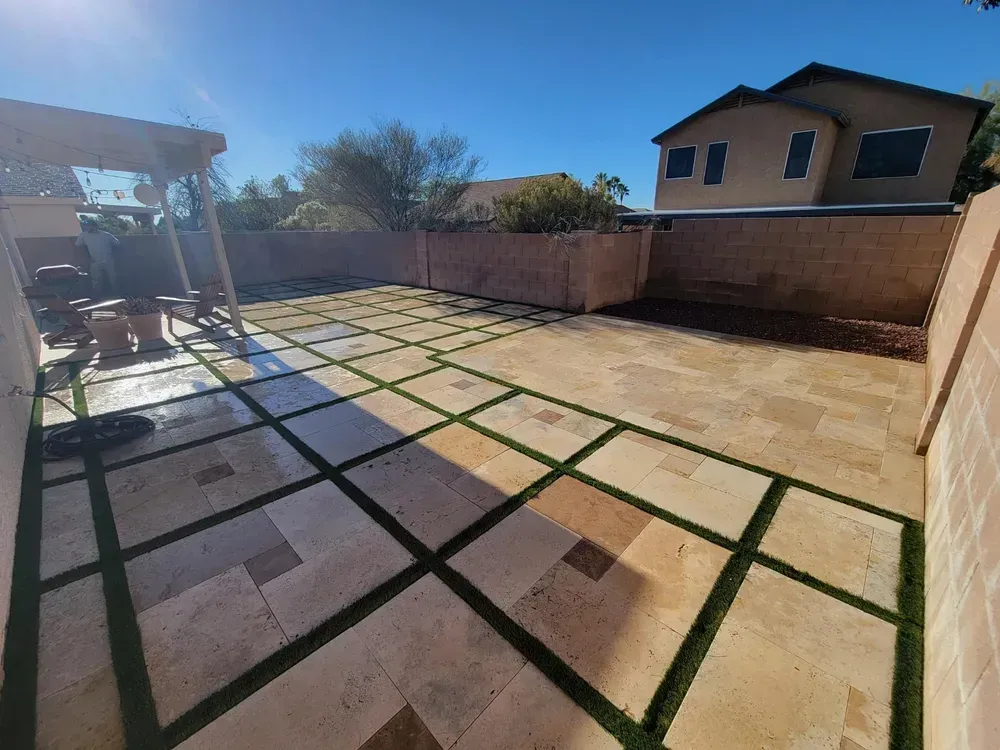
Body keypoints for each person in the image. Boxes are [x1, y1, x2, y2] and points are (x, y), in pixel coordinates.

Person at [75, 220, 120, 298]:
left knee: (113, 278)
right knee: (96, 279)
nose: (86, 227)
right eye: (85, 226)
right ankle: (97, 297)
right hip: (94, 260)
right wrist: (87, 257)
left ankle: (116, 295)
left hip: (108, 259)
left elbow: (117, 243)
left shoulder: (106, 235)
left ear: (94, 226)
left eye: (88, 226)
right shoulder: (83, 235)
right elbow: (78, 245)